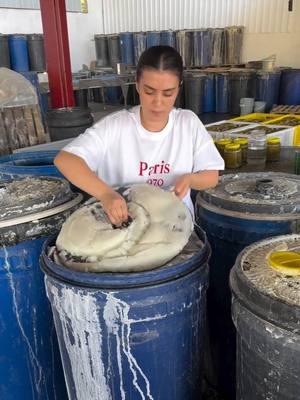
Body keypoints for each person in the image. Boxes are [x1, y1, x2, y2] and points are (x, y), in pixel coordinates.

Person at [54, 45, 224, 225]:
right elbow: (66, 160)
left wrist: (190, 179)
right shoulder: (115, 127)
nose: (158, 103)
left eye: (168, 93)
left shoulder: (188, 123)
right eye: (149, 91)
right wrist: (106, 194)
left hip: (177, 226)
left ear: (179, 87)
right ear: (137, 84)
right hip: (124, 227)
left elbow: (211, 176)